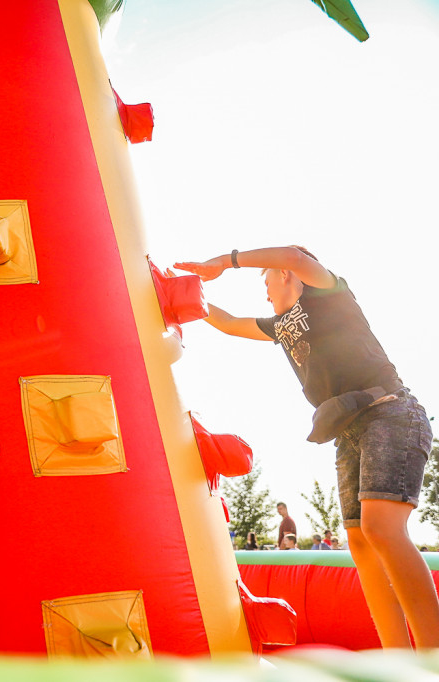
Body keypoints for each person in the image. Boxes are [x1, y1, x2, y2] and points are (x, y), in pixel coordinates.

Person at [175, 246, 439, 649]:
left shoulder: (327, 294)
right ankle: (397, 657)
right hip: (349, 429)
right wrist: (180, 293)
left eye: (265, 281)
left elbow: (294, 255)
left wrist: (225, 263)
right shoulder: (281, 325)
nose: (264, 292)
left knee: (381, 528)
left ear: (283, 275)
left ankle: (432, 653)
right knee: (360, 541)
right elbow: (227, 323)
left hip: (390, 413)